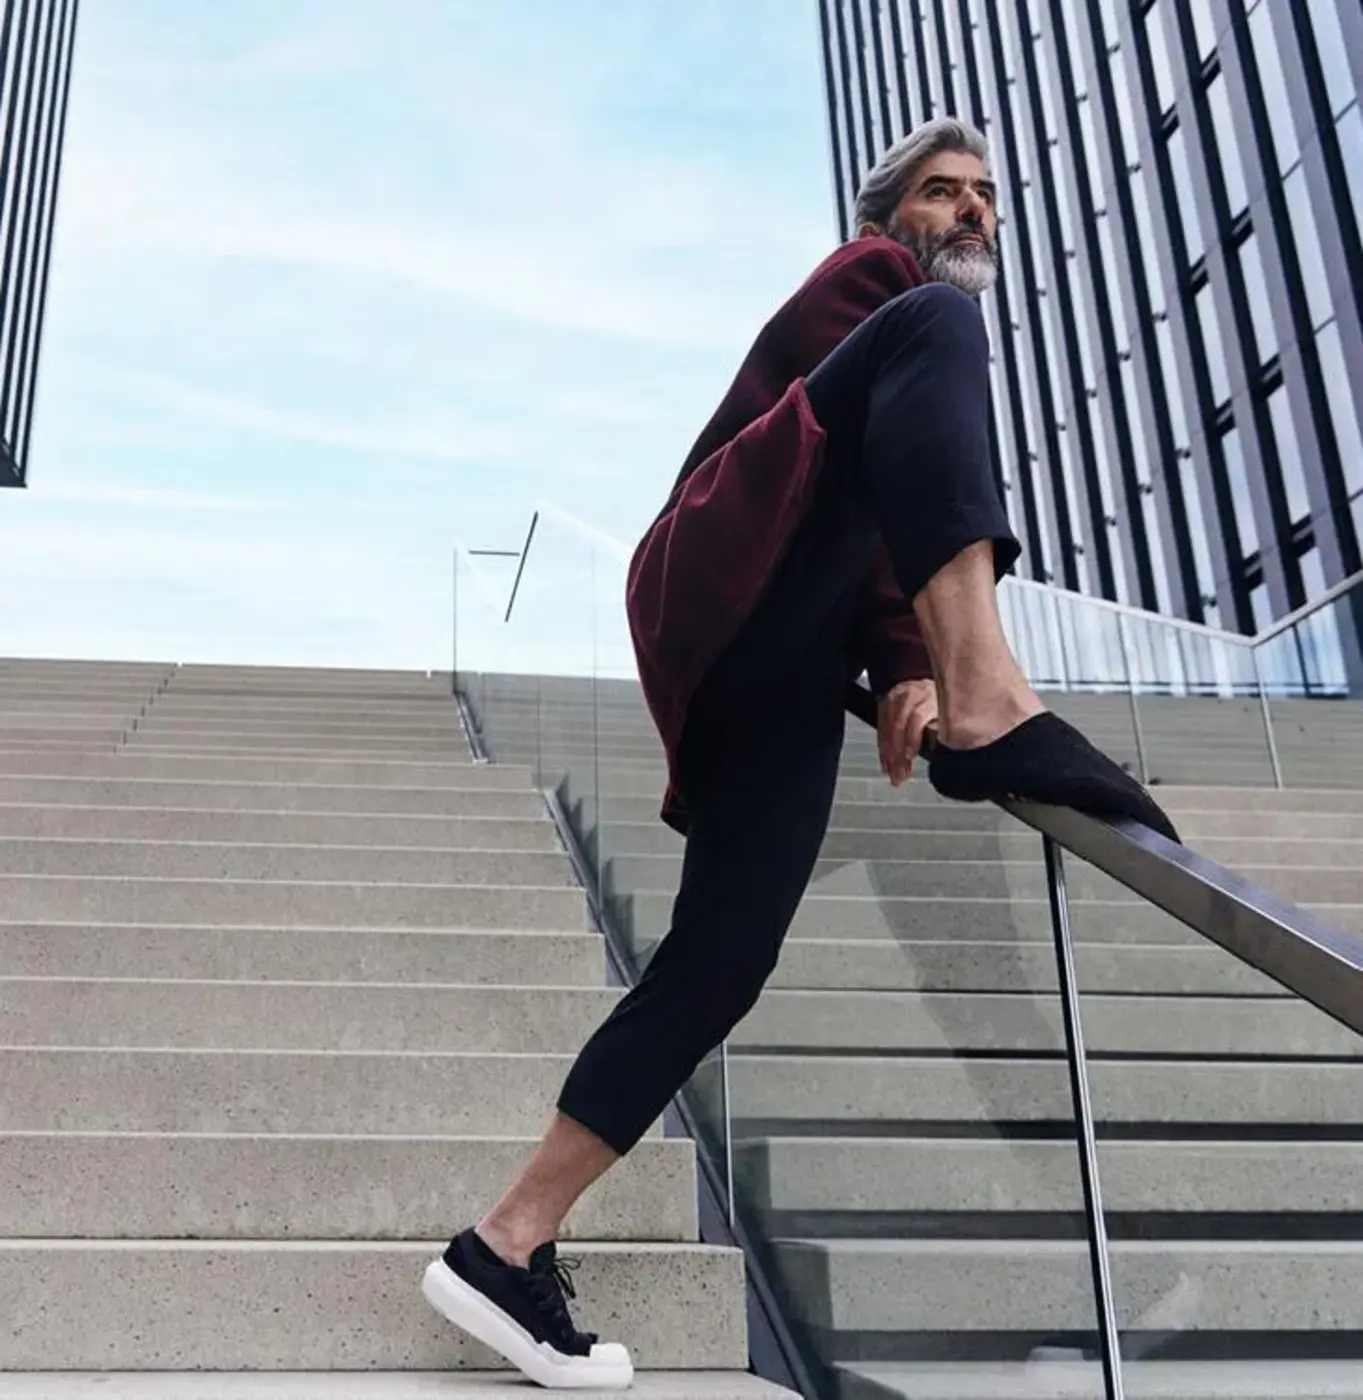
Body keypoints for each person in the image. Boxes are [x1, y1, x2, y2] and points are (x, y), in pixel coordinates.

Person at [422, 116, 1177, 1389]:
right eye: (941, 192)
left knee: (718, 965)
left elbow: (870, 505)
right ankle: (993, 700)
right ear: (887, 219)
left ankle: (502, 1242)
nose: (971, 211)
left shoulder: (908, 352)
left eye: (986, 195)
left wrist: (897, 660)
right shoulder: (873, 283)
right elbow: (844, 474)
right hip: (723, 570)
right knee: (940, 327)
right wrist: (927, 666)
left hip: (776, 658)